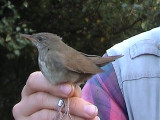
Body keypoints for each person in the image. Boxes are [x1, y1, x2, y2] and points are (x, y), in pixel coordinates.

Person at [13, 27, 160, 120]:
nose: (34, 40)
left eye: (39, 39)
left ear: (47, 43)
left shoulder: (56, 55)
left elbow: (81, 64)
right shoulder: (115, 79)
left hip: (85, 67)